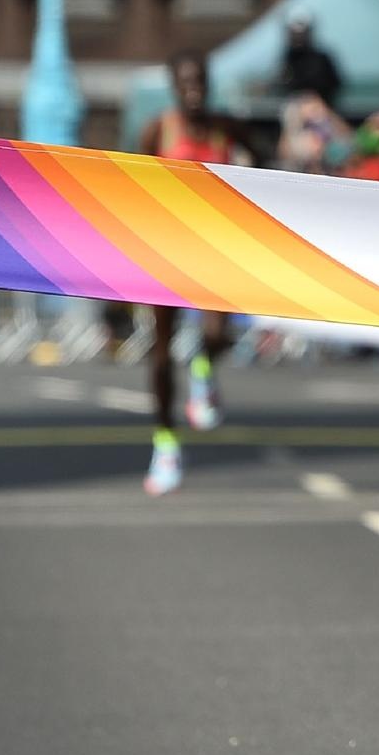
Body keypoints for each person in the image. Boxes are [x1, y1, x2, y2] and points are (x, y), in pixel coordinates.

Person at [136, 51, 251, 495]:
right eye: (186, 83)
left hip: (215, 248)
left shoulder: (227, 129)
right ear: (174, 87)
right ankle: (165, 443)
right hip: (165, 249)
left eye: (200, 81)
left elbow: (262, 161)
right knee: (161, 355)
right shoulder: (158, 130)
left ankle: (203, 368)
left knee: (220, 334)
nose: (195, 90)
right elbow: (130, 185)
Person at [279, 14, 344, 110]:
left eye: (301, 33)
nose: (298, 37)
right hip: (295, 110)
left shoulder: (322, 59)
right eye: (294, 33)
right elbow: (284, 85)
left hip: (322, 110)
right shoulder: (287, 58)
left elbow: (335, 84)